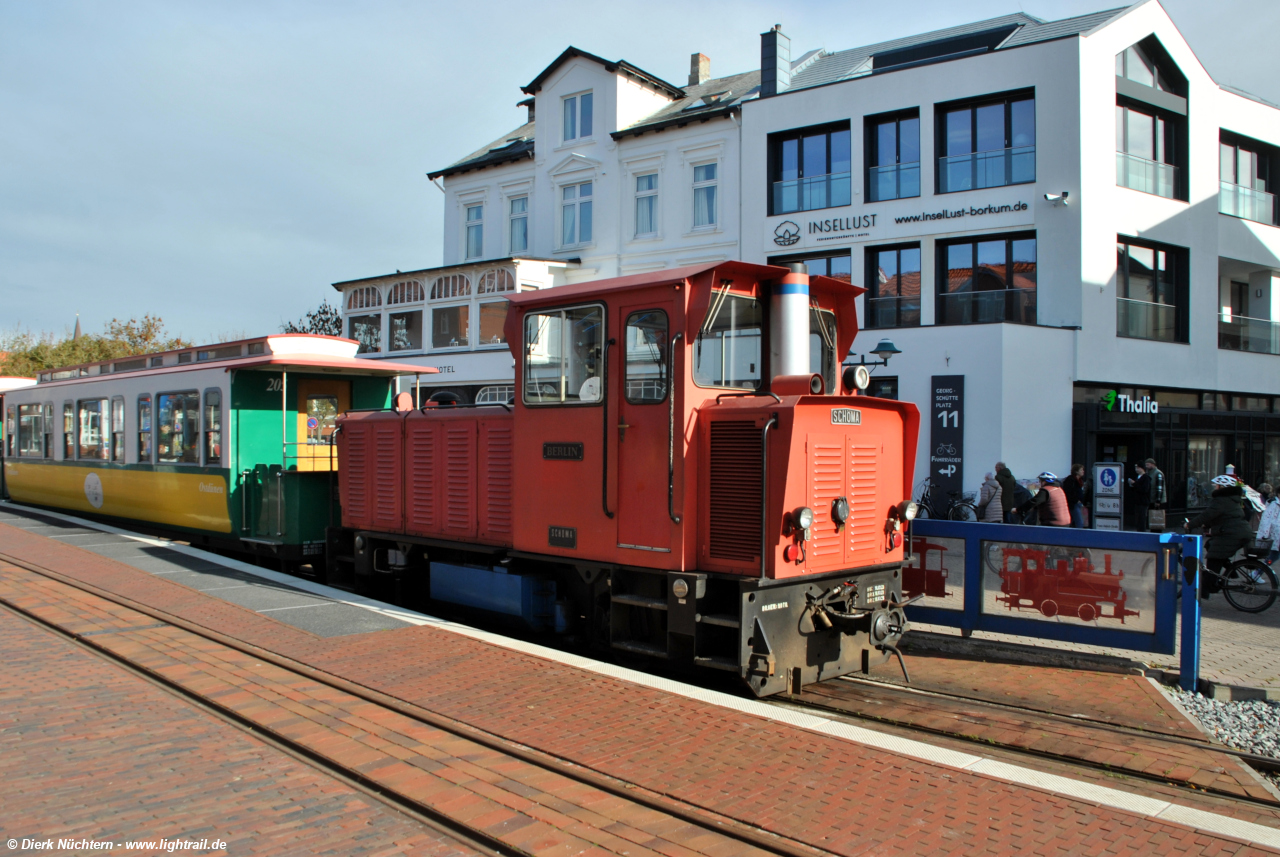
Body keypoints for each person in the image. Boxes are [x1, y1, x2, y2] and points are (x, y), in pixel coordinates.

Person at [1185, 474, 1255, 599]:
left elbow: (1206, 515)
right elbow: (1223, 516)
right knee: (1210, 544)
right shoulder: (1232, 498)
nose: (1215, 488)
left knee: (1213, 559)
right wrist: (1207, 525)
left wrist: (1189, 524)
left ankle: (1205, 589)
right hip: (1241, 532)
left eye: (1217, 485)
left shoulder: (1221, 500)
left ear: (1222, 487)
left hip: (1231, 534)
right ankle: (1231, 571)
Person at [1257, 483, 1280, 566]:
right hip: (1275, 537)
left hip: (1277, 537)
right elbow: (1266, 520)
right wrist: (1264, 535)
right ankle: (1257, 572)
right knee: (1274, 555)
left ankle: (1258, 572)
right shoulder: (1274, 505)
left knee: (1274, 555)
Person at [1128, 463, 1151, 532]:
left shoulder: (1146, 478)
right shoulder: (1138, 477)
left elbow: (1144, 489)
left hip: (1143, 501)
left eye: (1137, 467)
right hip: (1137, 501)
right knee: (1138, 519)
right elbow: (1136, 488)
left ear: (1142, 468)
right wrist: (1132, 485)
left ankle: (1142, 532)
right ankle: (1139, 530)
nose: (1136, 469)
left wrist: (1134, 484)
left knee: (1142, 518)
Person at [1063, 464, 1086, 528]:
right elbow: (1068, 492)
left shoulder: (1080, 481)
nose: (1083, 471)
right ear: (1076, 471)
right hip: (1073, 504)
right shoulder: (1070, 480)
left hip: (1079, 504)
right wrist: (1076, 500)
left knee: (1074, 521)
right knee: (1079, 522)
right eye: (1081, 470)